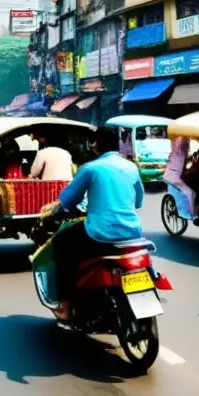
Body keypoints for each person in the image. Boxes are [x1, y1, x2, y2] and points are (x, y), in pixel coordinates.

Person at [43, 126, 144, 299]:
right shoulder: (131, 167)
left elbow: (67, 200)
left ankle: (65, 302)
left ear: (96, 144)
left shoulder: (90, 169)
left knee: (60, 242)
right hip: (132, 232)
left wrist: (55, 211)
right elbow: (138, 201)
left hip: (98, 232)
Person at [163, 134, 196, 218]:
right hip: (174, 177)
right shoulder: (180, 150)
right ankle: (192, 214)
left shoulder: (178, 150)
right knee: (191, 193)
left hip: (171, 175)